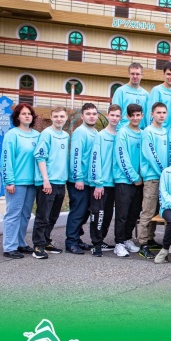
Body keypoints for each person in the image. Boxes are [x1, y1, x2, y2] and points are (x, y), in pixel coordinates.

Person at [2, 103, 40, 259]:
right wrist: (9, 181)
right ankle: (9, 247)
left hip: (32, 182)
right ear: (17, 116)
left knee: (25, 215)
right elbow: (7, 159)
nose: (27, 116)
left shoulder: (37, 135)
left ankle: (20, 243)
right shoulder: (12, 135)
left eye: (29, 113)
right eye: (23, 113)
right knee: (13, 214)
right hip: (16, 182)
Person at [31, 106, 68, 259]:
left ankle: (46, 241)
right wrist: (45, 180)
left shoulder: (65, 135)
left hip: (60, 181)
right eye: (56, 116)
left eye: (62, 116)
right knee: (43, 216)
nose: (59, 119)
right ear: (51, 118)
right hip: (47, 182)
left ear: (66, 118)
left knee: (53, 216)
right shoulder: (46, 134)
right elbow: (40, 157)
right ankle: (38, 246)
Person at [88, 104, 121, 257]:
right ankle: (96, 244)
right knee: (98, 214)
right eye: (112, 115)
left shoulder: (120, 135)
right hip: (102, 183)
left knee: (108, 214)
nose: (114, 118)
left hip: (115, 182)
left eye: (117, 116)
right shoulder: (100, 136)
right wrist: (98, 183)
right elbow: (95, 159)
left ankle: (101, 240)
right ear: (107, 115)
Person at [138, 102, 170, 259]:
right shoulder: (148, 131)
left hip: (162, 177)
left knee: (157, 211)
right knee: (148, 210)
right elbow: (151, 155)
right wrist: (162, 172)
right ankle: (143, 244)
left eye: (164, 112)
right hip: (152, 177)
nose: (161, 115)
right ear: (152, 114)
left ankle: (150, 239)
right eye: (158, 112)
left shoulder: (165, 131)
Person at [65, 102, 98, 254]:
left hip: (89, 179)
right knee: (78, 212)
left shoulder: (95, 132)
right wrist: (78, 177)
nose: (92, 116)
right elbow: (76, 155)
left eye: (94, 114)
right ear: (82, 116)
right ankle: (71, 242)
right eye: (88, 114)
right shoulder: (80, 132)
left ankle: (77, 238)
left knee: (84, 212)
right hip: (78, 180)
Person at [113, 104, 144, 258]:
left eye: (138, 115)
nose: (135, 118)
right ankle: (118, 243)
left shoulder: (143, 133)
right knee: (122, 214)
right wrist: (134, 177)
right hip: (125, 180)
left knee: (133, 213)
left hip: (139, 181)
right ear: (127, 117)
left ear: (142, 116)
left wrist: (141, 177)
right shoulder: (122, 133)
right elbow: (122, 157)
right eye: (132, 115)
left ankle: (126, 239)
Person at [112, 62, 149, 130]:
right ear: (128, 74)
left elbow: (147, 116)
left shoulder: (145, 94)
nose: (135, 76)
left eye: (137, 74)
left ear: (142, 75)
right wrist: (119, 130)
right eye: (132, 74)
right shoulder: (121, 91)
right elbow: (115, 113)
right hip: (124, 131)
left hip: (140, 132)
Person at [146, 61, 171, 130]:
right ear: (163, 74)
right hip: (159, 131)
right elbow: (150, 113)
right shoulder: (157, 90)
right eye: (168, 74)